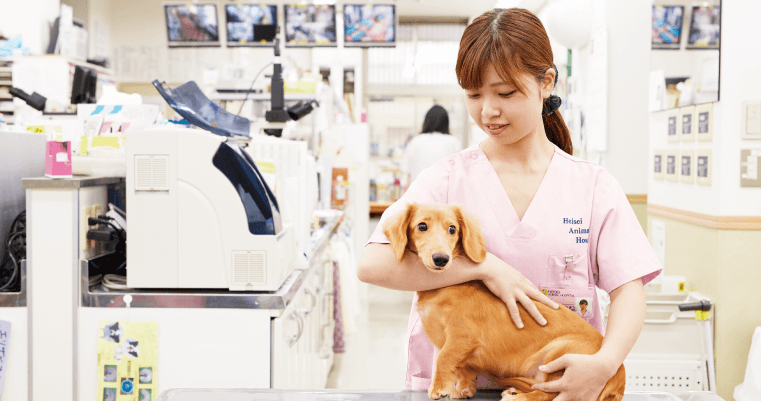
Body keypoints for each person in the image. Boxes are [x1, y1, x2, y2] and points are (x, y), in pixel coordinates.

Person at [357, 7, 662, 400]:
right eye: (473, 94)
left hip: (557, 386)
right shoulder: (446, 179)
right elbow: (372, 264)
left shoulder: (591, 185)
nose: (488, 111)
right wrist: (484, 266)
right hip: (458, 388)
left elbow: (629, 290)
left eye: (505, 93)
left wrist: (603, 366)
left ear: (545, 82)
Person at [401, 105, 462, 183]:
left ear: (426, 121)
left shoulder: (416, 141)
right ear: (446, 123)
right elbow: (459, 173)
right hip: (445, 193)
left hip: (419, 192)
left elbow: (407, 172)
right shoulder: (454, 142)